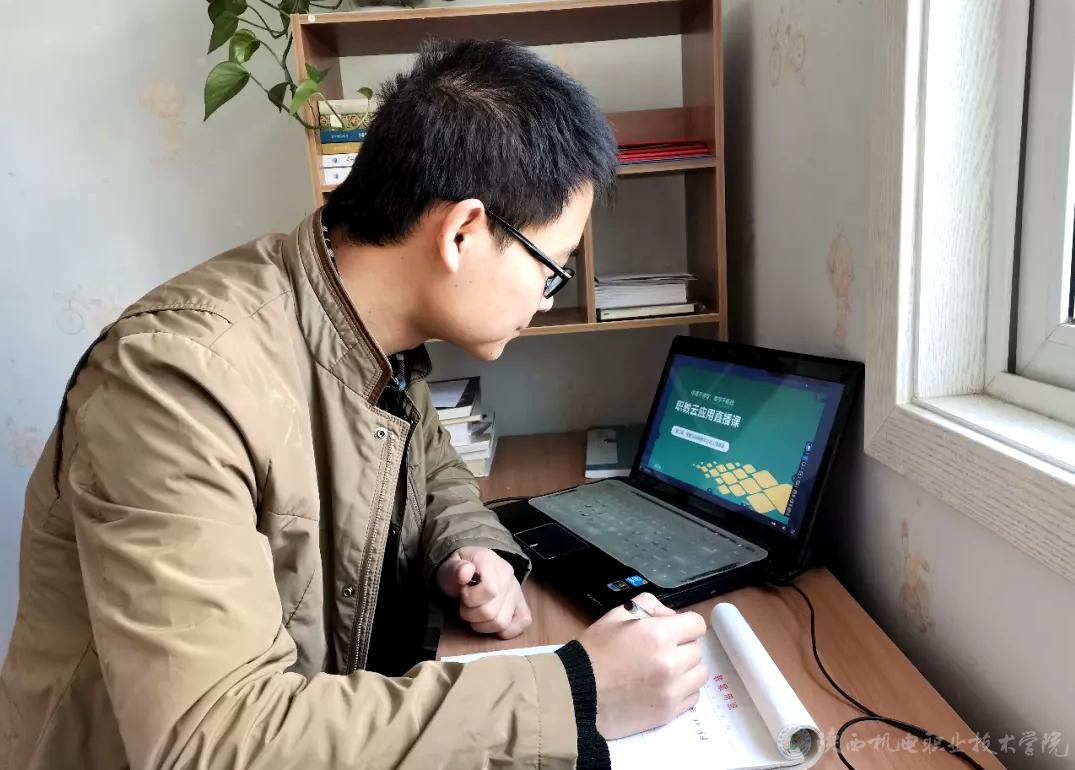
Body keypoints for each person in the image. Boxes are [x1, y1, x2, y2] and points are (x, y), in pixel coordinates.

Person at [0, 39, 707, 769]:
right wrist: (574, 696)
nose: (547, 297)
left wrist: (471, 547)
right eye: (551, 269)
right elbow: (210, 742)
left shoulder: (373, 332)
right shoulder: (176, 382)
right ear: (462, 233)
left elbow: (434, 468)